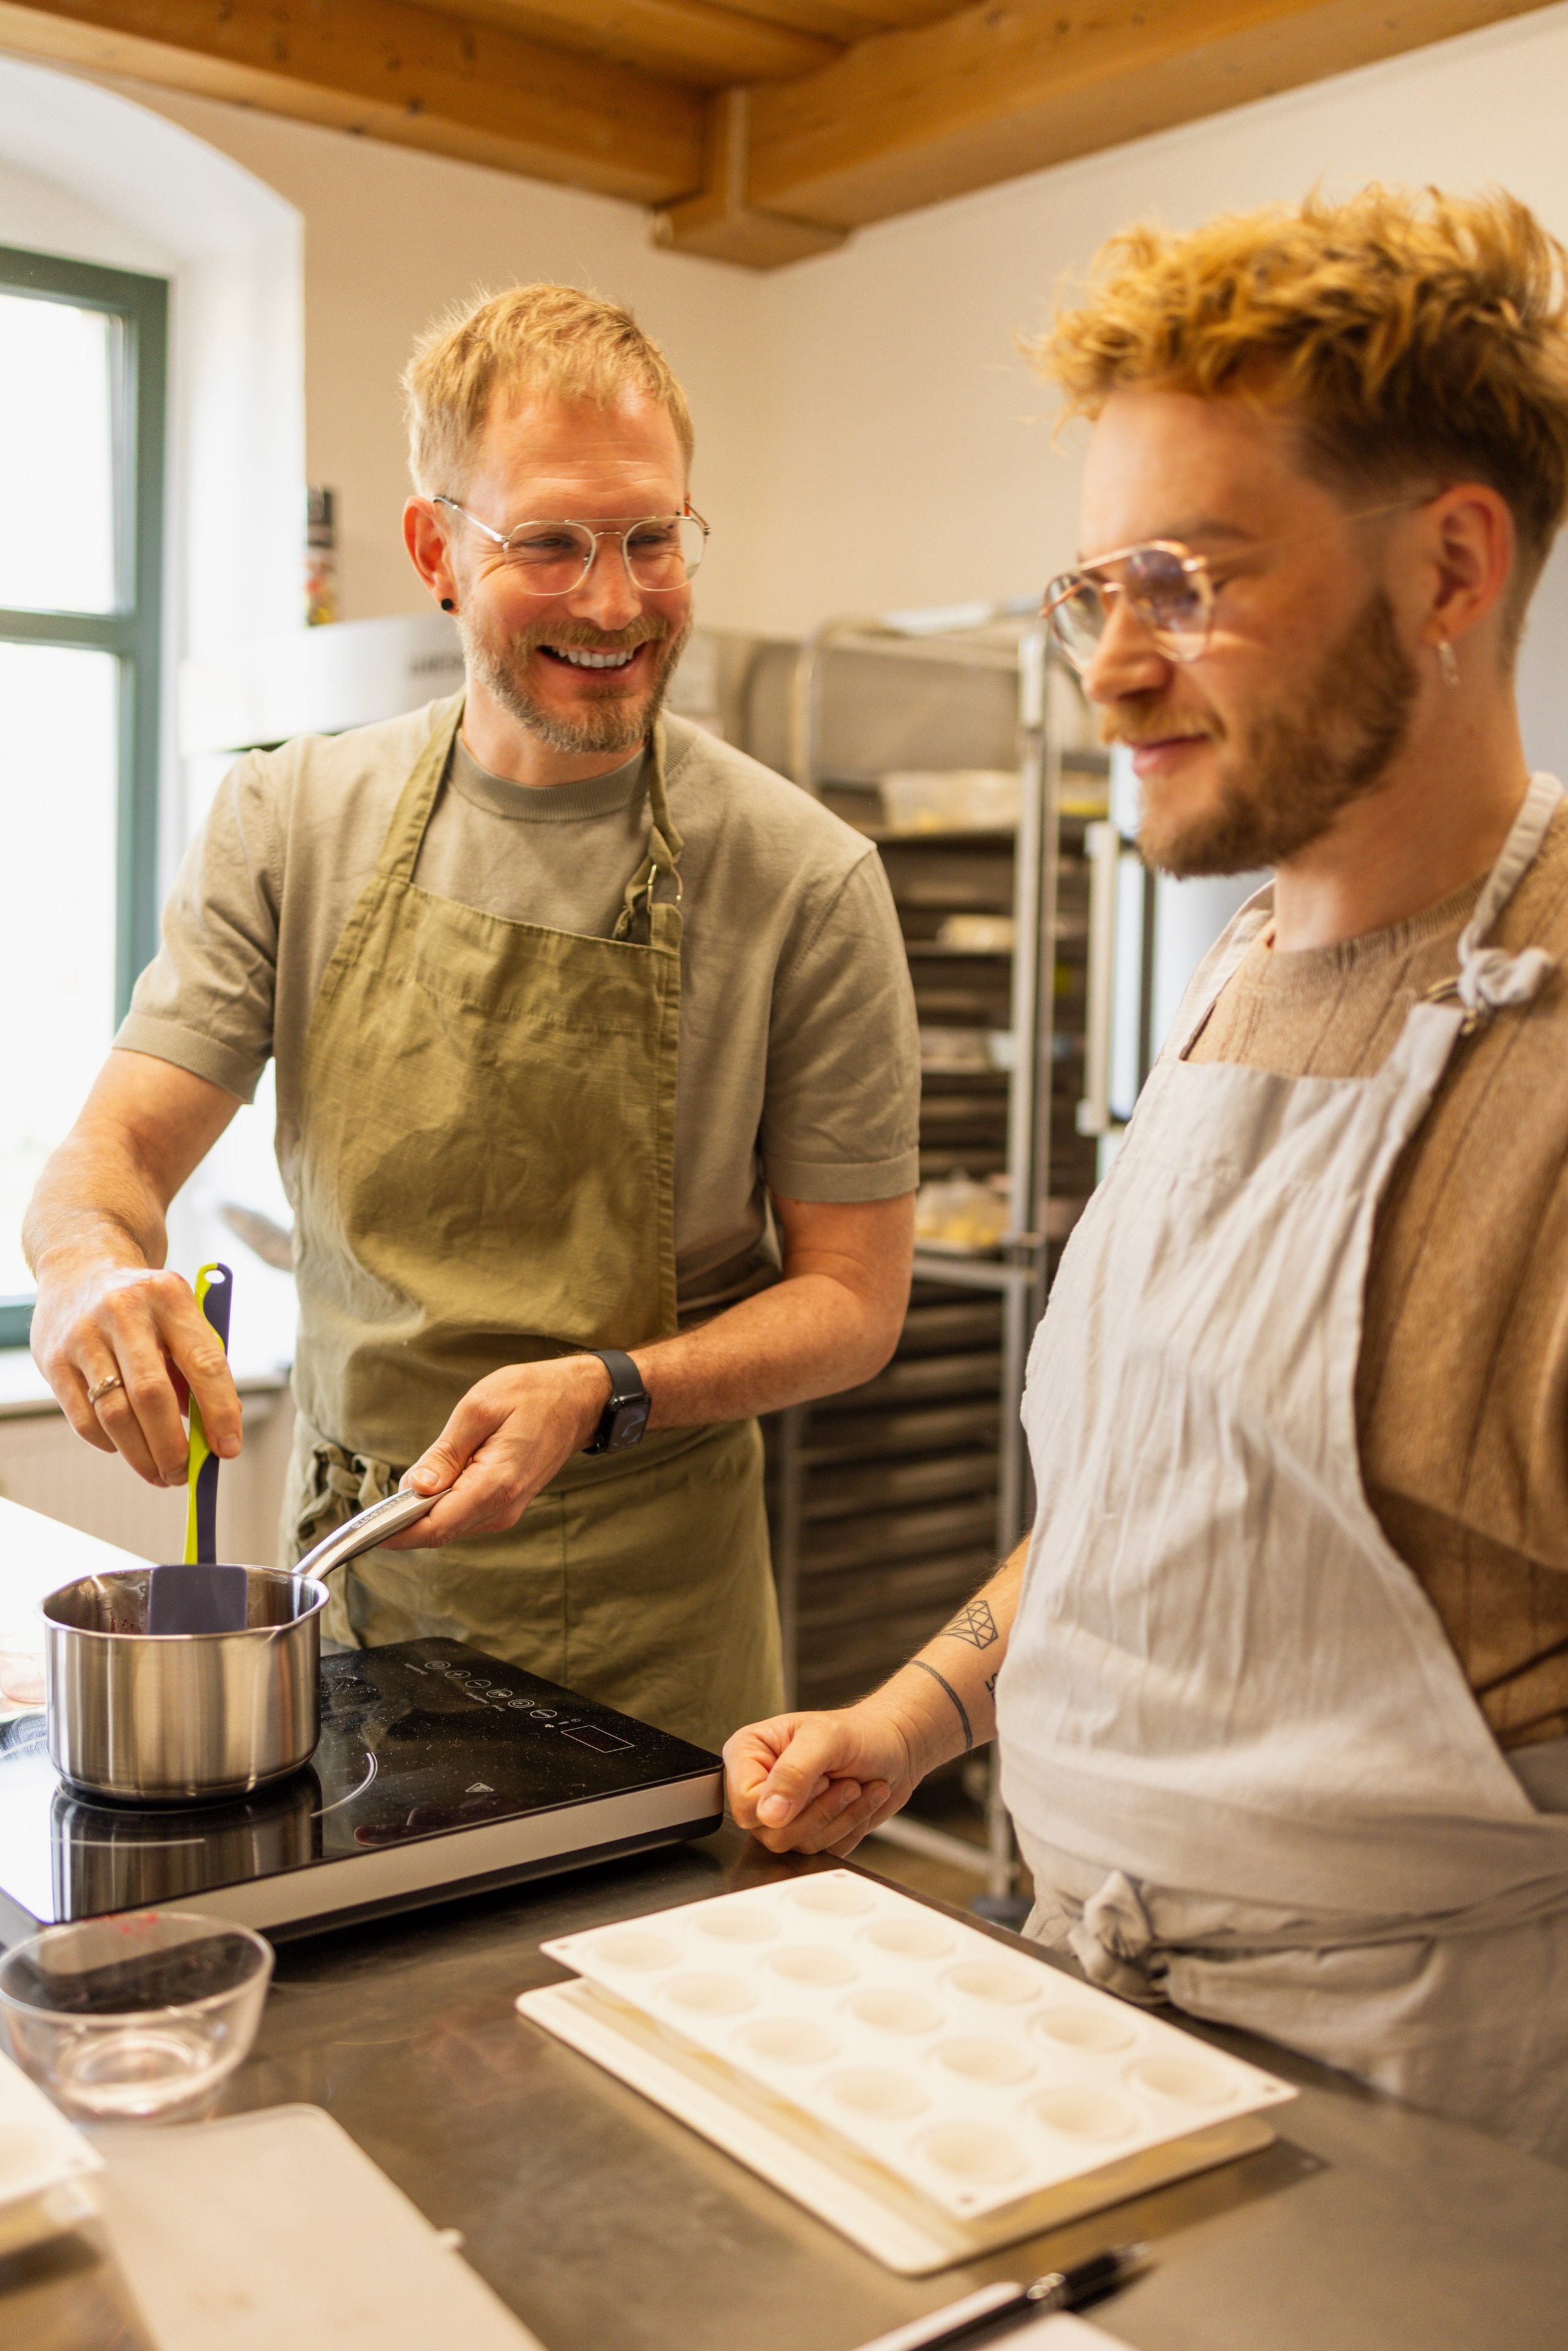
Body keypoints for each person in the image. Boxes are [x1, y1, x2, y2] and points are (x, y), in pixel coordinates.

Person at [725, 188, 1568, 2163]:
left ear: (1451, 566)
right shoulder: (1233, 979)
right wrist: (917, 1715)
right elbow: (1159, 1501)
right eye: (1096, 589)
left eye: (1189, 581)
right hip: (1089, 2019)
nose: (1110, 669)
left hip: (1430, 2126)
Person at [24, 284, 919, 1756]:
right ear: (437, 550)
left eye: (651, 538)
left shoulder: (800, 877)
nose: (614, 602)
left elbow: (853, 1300)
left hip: (647, 1631)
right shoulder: (290, 819)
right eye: (550, 543)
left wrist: (611, 1388)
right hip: (345, 1602)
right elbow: (110, 1156)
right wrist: (81, 1276)